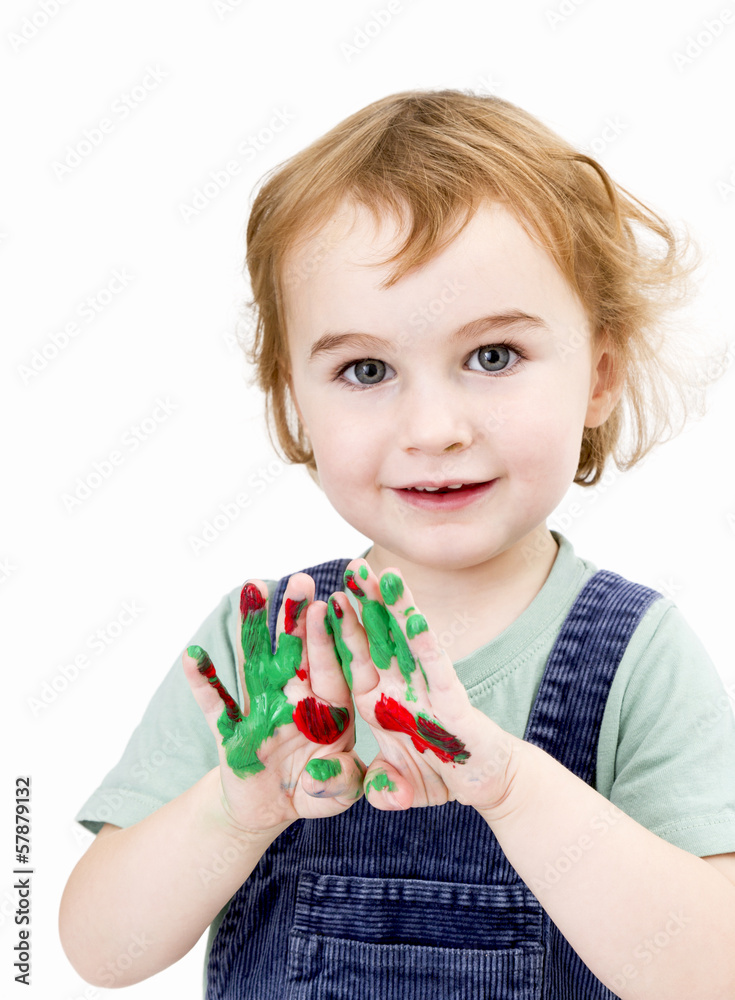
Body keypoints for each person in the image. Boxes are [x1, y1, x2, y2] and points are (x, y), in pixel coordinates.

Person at [59, 89, 735, 999]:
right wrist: (235, 809)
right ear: (293, 401)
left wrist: (509, 790)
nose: (433, 427)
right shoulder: (266, 647)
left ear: (600, 377)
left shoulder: (637, 657)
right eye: (365, 370)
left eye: (493, 355)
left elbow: (710, 972)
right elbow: (100, 953)